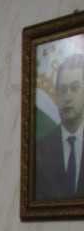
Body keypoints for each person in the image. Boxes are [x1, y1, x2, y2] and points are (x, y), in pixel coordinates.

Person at [34, 53, 84, 201]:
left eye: (75, 88)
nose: (67, 97)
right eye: (63, 90)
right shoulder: (39, 150)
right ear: (56, 96)